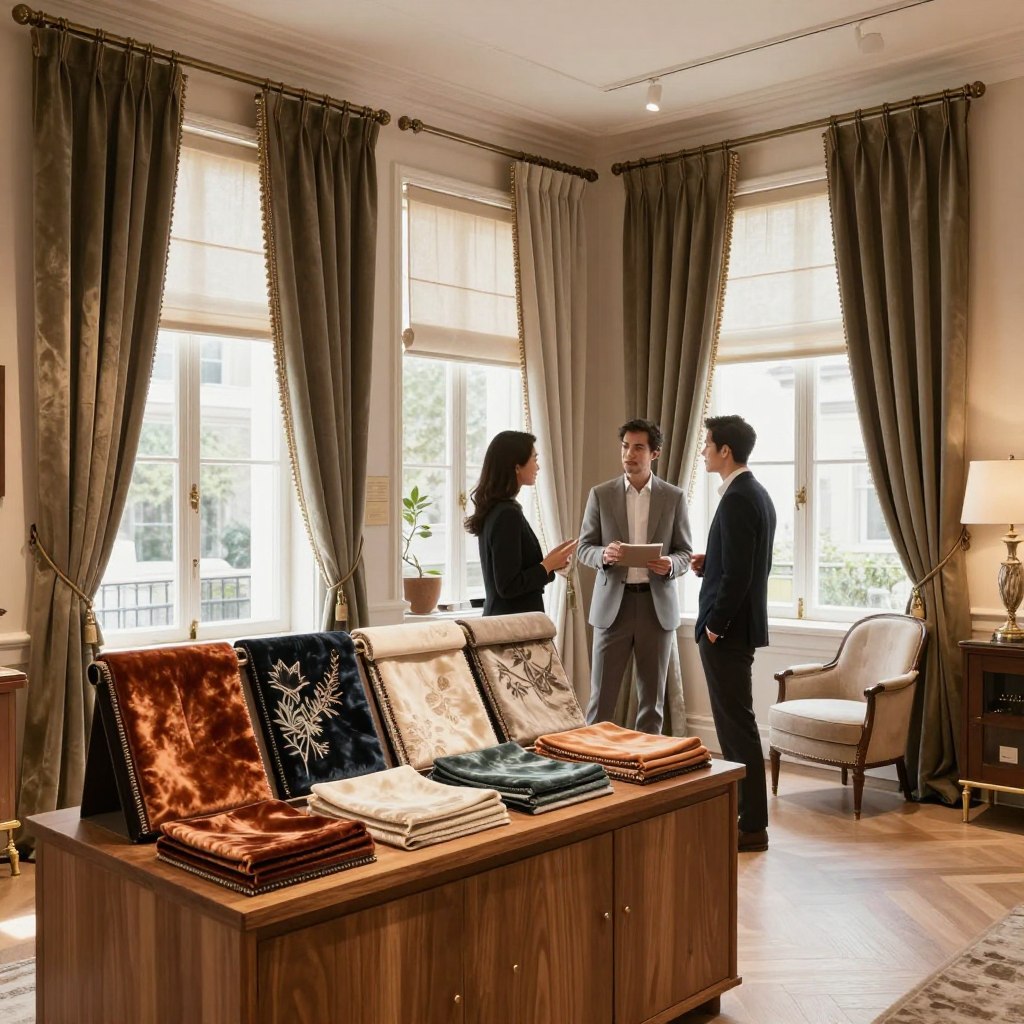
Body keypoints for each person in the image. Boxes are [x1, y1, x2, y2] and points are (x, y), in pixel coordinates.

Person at [692, 414, 777, 854]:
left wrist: (714, 626)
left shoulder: (738, 497)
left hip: (727, 632)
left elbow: (741, 575)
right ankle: (746, 819)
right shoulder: (755, 493)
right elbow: (746, 563)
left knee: (736, 729)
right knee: (736, 726)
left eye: (708, 444)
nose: (704, 451)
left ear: (725, 450)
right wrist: (711, 562)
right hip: (737, 628)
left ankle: (751, 825)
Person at [576, 419, 692, 734]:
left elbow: (685, 552)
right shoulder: (601, 494)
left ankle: (646, 762)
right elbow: (584, 548)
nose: (629, 454)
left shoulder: (673, 497)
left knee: (652, 705)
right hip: (613, 608)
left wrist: (670, 564)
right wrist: (604, 555)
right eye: (625, 446)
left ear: (655, 453)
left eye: (638, 447)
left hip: (656, 609)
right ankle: (593, 760)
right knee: (600, 702)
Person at [465, 430, 577, 617]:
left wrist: (550, 564)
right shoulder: (507, 514)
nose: (538, 467)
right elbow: (508, 586)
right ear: (517, 467)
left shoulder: (498, 509)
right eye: (534, 459)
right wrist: (547, 565)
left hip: (507, 620)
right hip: (513, 624)